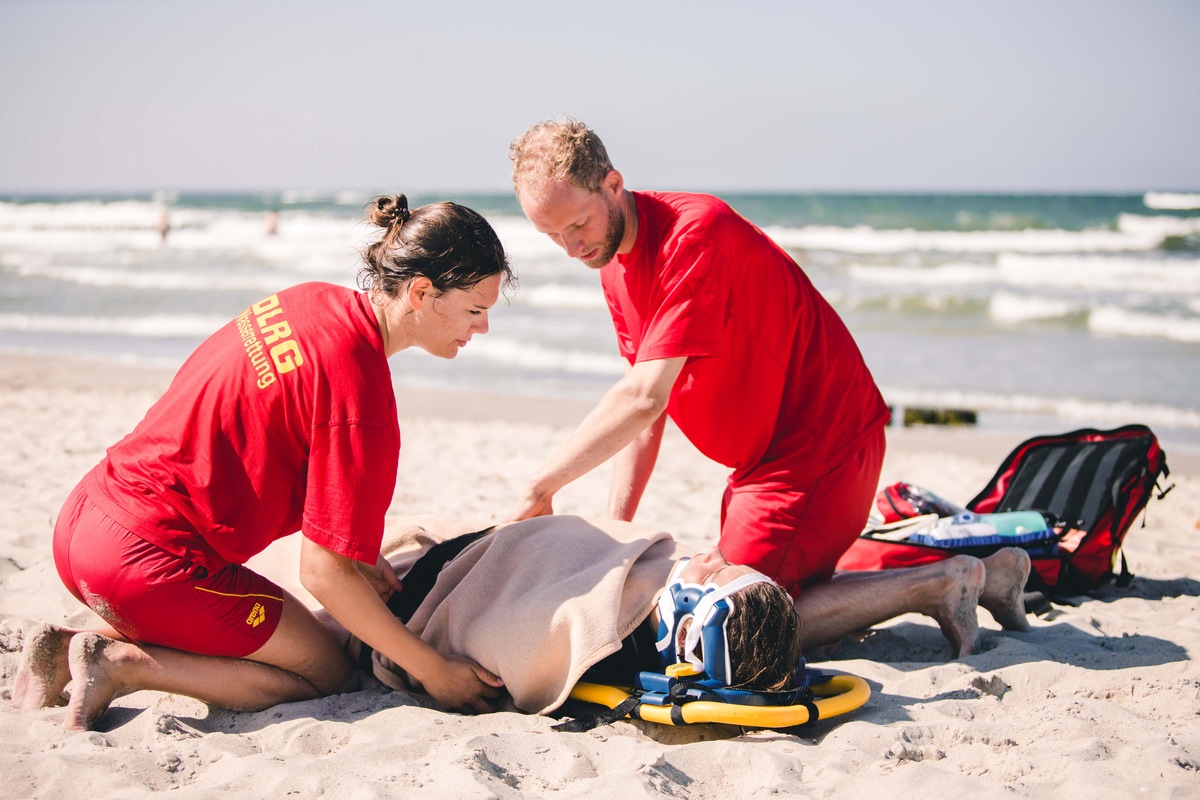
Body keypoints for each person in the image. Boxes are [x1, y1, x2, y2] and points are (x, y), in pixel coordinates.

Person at [506, 118, 1030, 658]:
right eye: (552, 236)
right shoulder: (611, 258)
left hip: (819, 450)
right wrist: (617, 531)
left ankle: (942, 585)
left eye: (577, 225)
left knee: (734, 625)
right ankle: (993, 576)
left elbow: (644, 396)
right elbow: (645, 405)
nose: (571, 247)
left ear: (612, 185)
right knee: (745, 593)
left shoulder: (695, 234)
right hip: (760, 468)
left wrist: (540, 487)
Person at [11, 194, 513, 730]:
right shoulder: (360, 397)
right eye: (475, 309)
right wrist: (433, 669)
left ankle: (63, 649)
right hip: (148, 563)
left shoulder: (308, 299)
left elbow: (265, 428)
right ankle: (118, 667)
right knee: (326, 673)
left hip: (84, 519)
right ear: (420, 293)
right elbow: (322, 574)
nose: (481, 329)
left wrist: (360, 554)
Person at [345, 515, 804, 714]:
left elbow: (494, 627)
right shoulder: (677, 592)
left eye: (717, 570)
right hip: (482, 544)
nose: (711, 553)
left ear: (686, 623)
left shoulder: (574, 632)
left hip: (422, 590)